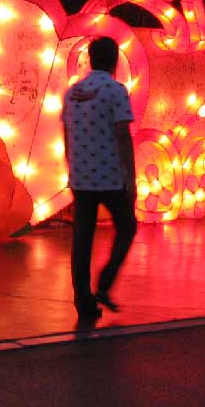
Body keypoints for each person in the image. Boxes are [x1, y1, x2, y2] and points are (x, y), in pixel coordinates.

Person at [62, 37, 138, 322]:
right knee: (127, 227)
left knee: (82, 240)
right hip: (110, 176)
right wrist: (131, 177)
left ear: (91, 59)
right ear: (115, 60)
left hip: (81, 176)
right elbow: (122, 135)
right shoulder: (116, 91)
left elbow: (66, 131)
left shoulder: (72, 92)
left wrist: (72, 165)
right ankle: (104, 283)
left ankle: (83, 302)